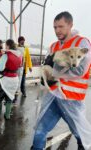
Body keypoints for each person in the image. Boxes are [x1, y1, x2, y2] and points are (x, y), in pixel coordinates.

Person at [31, 12, 91, 150]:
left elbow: (80, 70)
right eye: (55, 27)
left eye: (61, 27)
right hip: (54, 97)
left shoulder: (81, 43)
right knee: (40, 131)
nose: (57, 31)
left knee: (80, 134)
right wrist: (46, 76)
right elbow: (46, 68)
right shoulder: (53, 46)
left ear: (70, 25)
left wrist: (55, 71)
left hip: (72, 99)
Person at [0, 39, 22, 120]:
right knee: (9, 99)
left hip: (5, 79)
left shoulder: (6, 55)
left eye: (6, 45)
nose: (5, 46)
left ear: (8, 46)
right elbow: (19, 65)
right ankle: (7, 115)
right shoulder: (19, 55)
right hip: (15, 79)